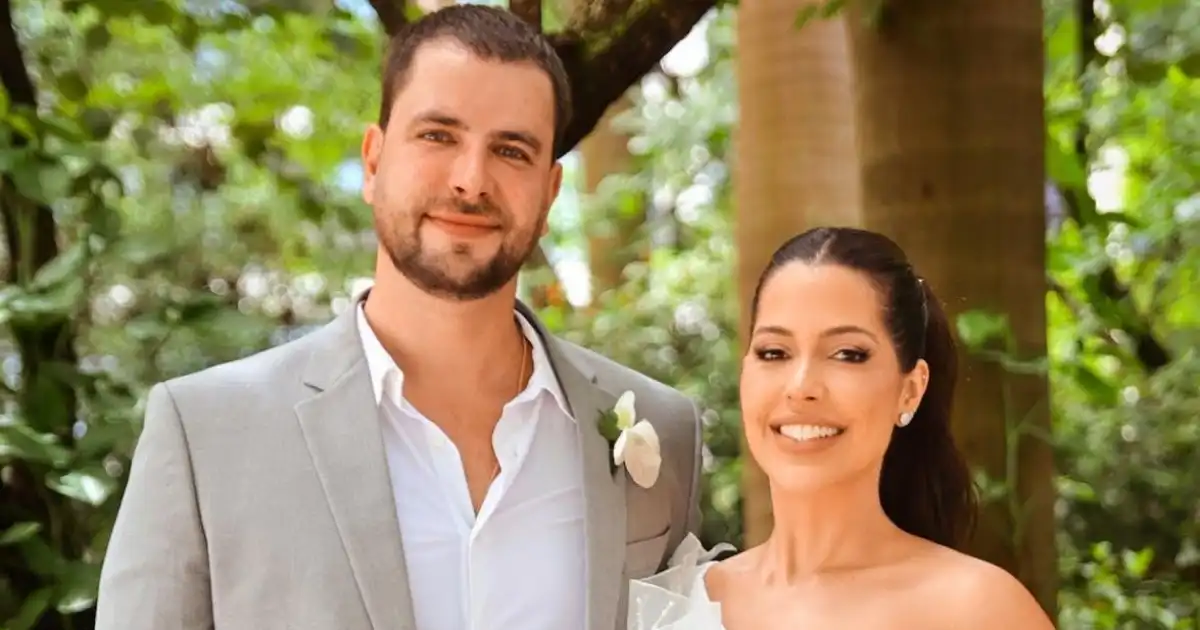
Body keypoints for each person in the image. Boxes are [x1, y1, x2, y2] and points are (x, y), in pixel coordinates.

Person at [95, 6, 703, 630]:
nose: (471, 180)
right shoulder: (206, 433)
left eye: (511, 150)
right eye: (438, 136)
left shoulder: (663, 432)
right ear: (373, 161)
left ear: (549, 195)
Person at [627, 227, 1055, 629]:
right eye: (774, 352)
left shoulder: (977, 608)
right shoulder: (673, 603)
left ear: (910, 390)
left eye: (848, 354)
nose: (801, 387)